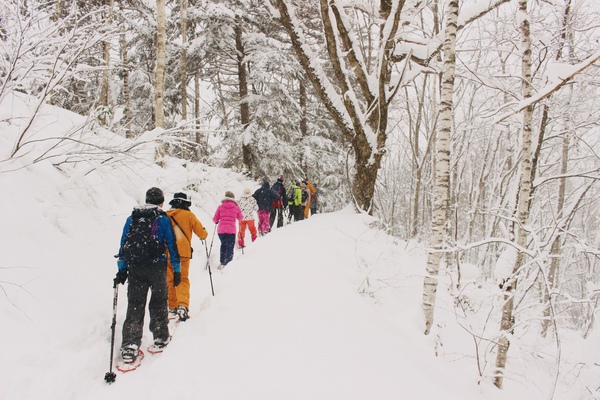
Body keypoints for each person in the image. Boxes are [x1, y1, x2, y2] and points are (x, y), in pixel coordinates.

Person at [114, 187, 181, 363]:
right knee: (159, 301)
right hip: (157, 266)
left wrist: (122, 269)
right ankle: (160, 337)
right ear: (162, 201)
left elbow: (124, 243)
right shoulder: (163, 218)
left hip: (136, 267)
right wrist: (177, 269)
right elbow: (172, 244)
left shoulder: (133, 218)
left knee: (135, 304)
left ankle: (130, 345)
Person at [166, 192, 208, 322]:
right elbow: (202, 233)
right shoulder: (189, 215)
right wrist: (204, 234)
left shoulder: (166, 215)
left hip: (167, 253)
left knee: (170, 279)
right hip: (183, 253)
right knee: (182, 279)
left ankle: (172, 306)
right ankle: (182, 305)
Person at [212, 191, 243, 270]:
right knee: (230, 246)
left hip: (221, 230)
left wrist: (217, 221)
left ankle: (222, 262)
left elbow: (215, 219)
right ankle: (228, 263)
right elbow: (241, 218)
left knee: (223, 245)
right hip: (231, 230)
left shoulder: (220, 206)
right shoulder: (236, 207)